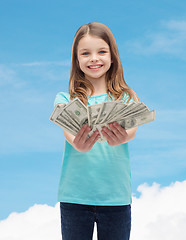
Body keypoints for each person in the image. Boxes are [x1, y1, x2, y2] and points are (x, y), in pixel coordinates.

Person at [53, 22, 139, 240]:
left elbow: (132, 131)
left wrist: (122, 137)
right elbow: (68, 133)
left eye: (101, 51)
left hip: (116, 198)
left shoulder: (126, 98)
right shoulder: (66, 99)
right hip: (75, 197)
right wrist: (77, 143)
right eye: (85, 53)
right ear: (77, 59)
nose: (94, 58)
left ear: (112, 57)